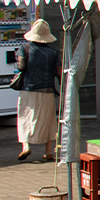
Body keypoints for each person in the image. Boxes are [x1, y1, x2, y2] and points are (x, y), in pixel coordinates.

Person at [14, 19, 61, 162]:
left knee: (24, 118)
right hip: (47, 90)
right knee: (49, 120)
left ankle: (26, 146)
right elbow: (59, 73)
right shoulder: (53, 53)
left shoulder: (25, 48)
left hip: (28, 89)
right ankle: (48, 151)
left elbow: (21, 67)